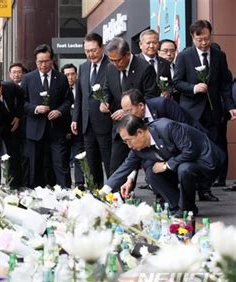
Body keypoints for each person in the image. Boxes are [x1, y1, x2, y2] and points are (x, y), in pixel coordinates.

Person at [100, 115, 224, 218]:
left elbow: (189, 151)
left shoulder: (167, 127)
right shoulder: (137, 149)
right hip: (183, 164)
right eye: (125, 142)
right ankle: (177, 207)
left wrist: (166, 165)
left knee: (184, 168)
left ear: (140, 132)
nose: (128, 145)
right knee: (151, 173)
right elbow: (124, 168)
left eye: (128, 140)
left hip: (206, 162)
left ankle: (186, 208)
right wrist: (102, 193)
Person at [173, 20, 235, 200]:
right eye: (200, 40)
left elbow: (225, 84)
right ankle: (191, 188)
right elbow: (176, 82)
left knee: (212, 151)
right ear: (193, 38)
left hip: (213, 112)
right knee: (193, 150)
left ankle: (205, 189)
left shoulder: (219, 55)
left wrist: (230, 107)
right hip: (192, 113)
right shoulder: (184, 56)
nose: (204, 43)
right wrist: (193, 88)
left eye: (207, 39)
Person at [102, 37, 159, 175]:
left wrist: (128, 111)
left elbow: (150, 97)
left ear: (127, 54)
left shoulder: (145, 68)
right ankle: (115, 194)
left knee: (150, 167)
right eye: (111, 60)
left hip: (140, 127)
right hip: (120, 127)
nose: (115, 64)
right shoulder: (110, 68)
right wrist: (104, 101)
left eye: (118, 60)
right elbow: (107, 89)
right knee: (115, 165)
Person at [22, 44, 73, 188]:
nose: (43, 65)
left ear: (52, 60)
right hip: (35, 130)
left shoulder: (61, 78)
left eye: (46, 61)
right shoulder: (28, 78)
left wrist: (59, 111)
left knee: (60, 164)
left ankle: (65, 193)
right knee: (36, 167)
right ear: (35, 61)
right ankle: (35, 196)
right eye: (39, 62)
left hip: (56, 130)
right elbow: (22, 103)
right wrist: (36, 109)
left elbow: (68, 100)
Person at [71, 33, 112, 188]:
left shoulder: (111, 65)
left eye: (94, 50)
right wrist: (75, 118)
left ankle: (114, 192)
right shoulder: (83, 67)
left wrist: (107, 103)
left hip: (105, 122)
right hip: (87, 124)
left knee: (109, 161)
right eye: (87, 51)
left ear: (101, 47)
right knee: (92, 162)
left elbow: (114, 91)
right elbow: (80, 97)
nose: (90, 54)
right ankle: (95, 191)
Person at [61, 63, 84, 188]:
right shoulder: (60, 89)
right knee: (64, 158)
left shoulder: (80, 88)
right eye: (67, 75)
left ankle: (80, 183)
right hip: (63, 129)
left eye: (72, 74)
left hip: (78, 128)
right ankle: (66, 184)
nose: (70, 77)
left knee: (79, 156)